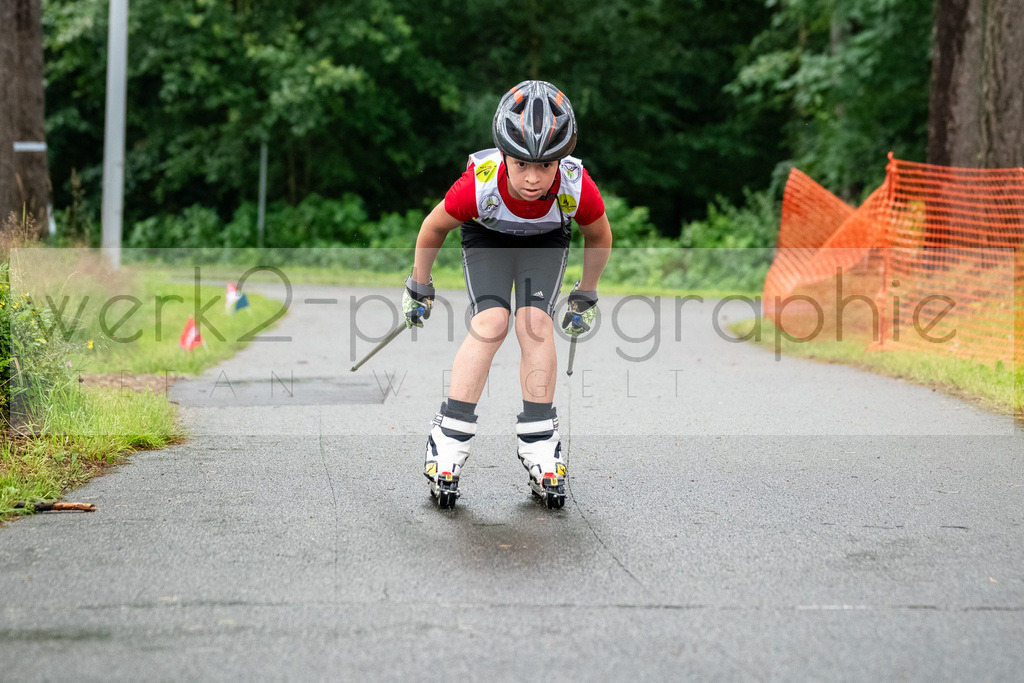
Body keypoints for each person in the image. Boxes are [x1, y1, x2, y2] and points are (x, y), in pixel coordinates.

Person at [402, 80, 612, 509]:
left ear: (562, 159)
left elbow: (600, 234)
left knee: (535, 323)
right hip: (488, 239)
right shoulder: (478, 185)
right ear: (503, 155)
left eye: (546, 165)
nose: (533, 178)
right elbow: (433, 227)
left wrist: (585, 293)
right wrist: (419, 285)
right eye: (520, 164)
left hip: (545, 242)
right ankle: (448, 439)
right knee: (492, 322)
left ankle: (539, 441)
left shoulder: (575, 184)